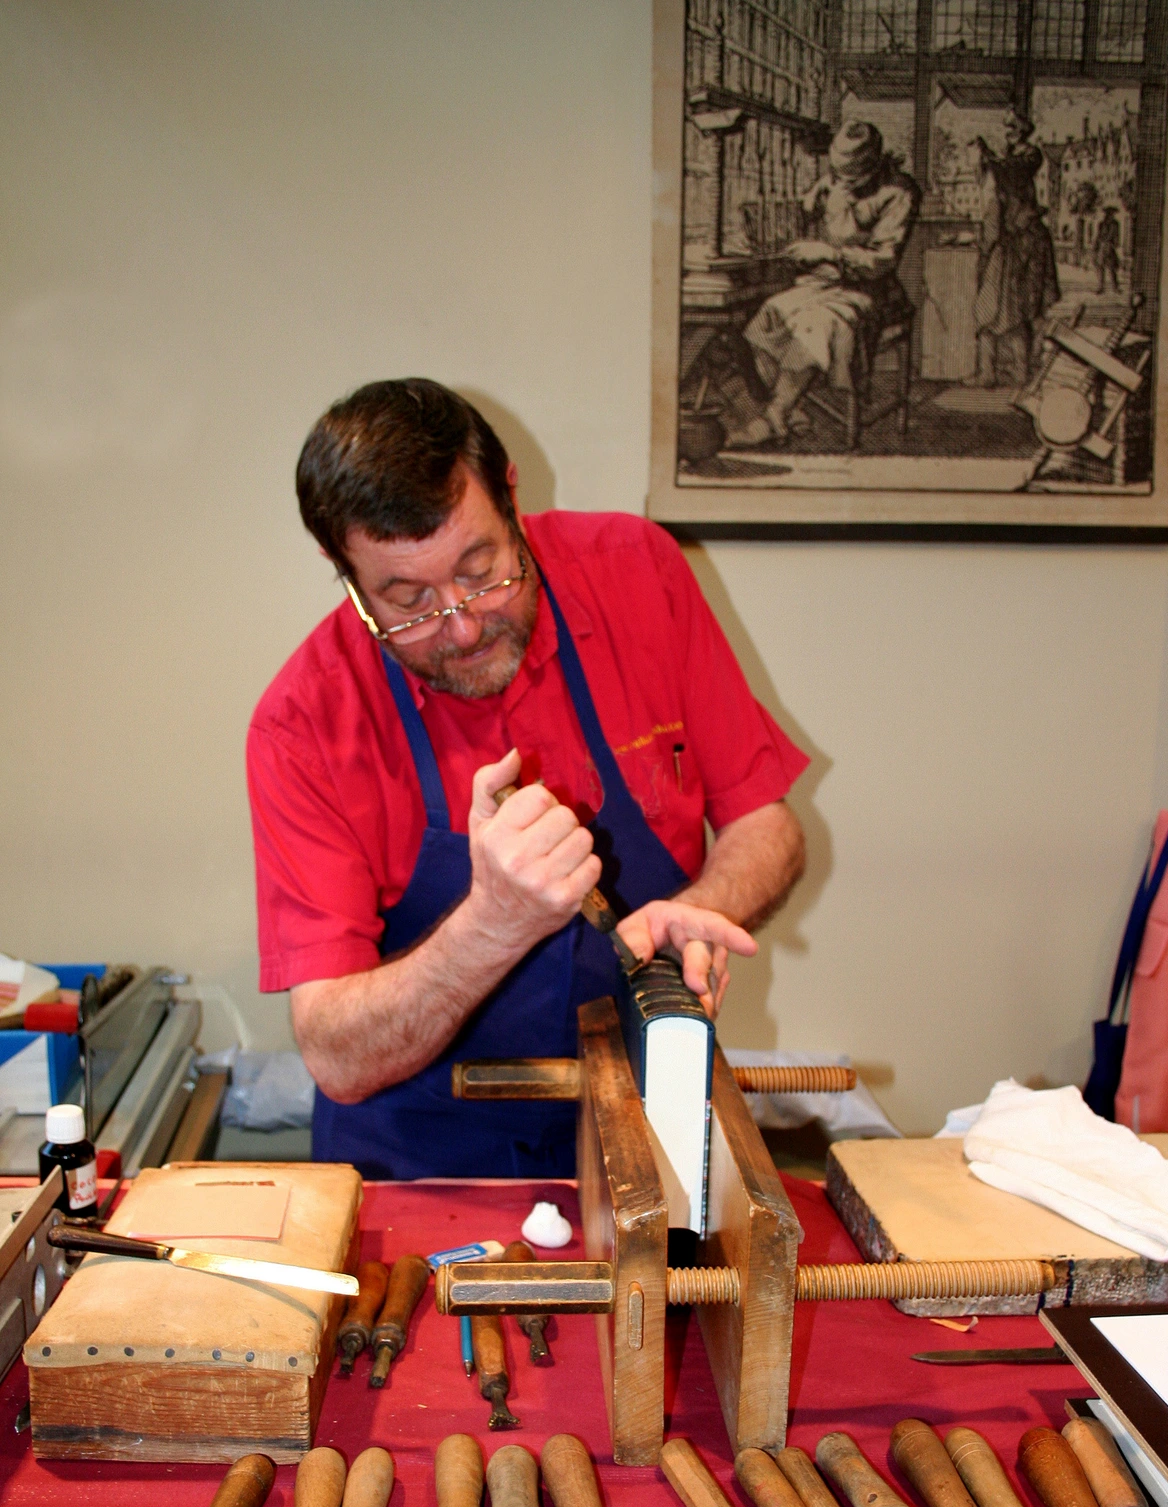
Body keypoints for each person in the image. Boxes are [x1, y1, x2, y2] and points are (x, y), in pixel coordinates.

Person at [247, 380, 808, 1180]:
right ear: (343, 572)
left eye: (482, 570)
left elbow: (769, 825)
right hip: (418, 1167)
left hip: (643, 1129)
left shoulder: (636, 573)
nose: (464, 625)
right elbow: (336, 1054)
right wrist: (493, 924)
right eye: (408, 604)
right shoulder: (303, 723)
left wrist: (696, 914)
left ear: (510, 497)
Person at [728, 120, 919, 447]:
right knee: (766, 317)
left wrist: (828, 251)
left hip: (872, 290)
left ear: (874, 164)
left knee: (816, 325)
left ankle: (775, 417)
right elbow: (800, 211)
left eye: (851, 179)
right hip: (820, 283)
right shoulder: (831, 182)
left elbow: (883, 260)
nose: (842, 184)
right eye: (839, 175)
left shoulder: (899, 192)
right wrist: (755, 224)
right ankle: (792, 406)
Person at [973, 111, 1060, 388]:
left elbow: (1012, 170)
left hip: (1025, 242)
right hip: (1010, 240)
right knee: (1000, 309)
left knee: (1019, 310)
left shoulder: (1029, 156)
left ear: (1023, 129)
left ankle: (1021, 373)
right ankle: (998, 372)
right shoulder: (1010, 158)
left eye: (1013, 126)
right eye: (1006, 126)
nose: (1007, 130)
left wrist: (990, 158)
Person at [1094, 206, 1122, 295]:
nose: (1110, 215)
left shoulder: (1115, 224)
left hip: (1110, 246)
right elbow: (1098, 236)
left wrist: (1115, 244)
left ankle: (1115, 287)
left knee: (1112, 268)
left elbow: (1116, 236)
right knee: (1100, 267)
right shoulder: (1101, 224)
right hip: (1102, 247)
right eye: (1109, 214)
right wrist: (1096, 246)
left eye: (1111, 214)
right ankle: (1101, 287)